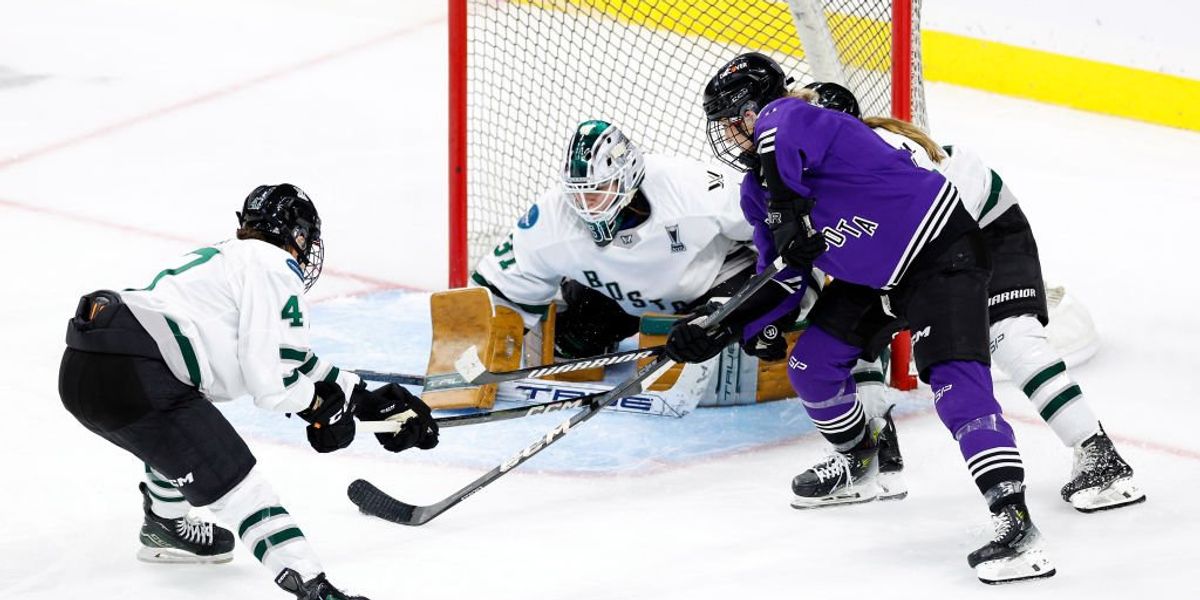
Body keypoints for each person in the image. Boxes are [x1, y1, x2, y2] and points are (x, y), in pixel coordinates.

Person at [668, 52, 1054, 583]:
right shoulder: (755, 191)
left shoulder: (801, 119)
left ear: (758, 110)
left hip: (941, 254)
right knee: (811, 367)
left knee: (954, 385)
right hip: (873, 283)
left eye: (736, 120)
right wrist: (721, 330)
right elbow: (779, 280)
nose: (731, 135)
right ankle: (859, 461)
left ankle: (1015, 521)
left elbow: (779, 133)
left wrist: (787, 213)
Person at [57, 184, 440, 600]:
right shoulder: (276, 265)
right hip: (139, 377)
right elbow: (272, 386)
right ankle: (315, 588)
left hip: (85, 366)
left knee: (171, 434)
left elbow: (292, 360)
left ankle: (164, 523)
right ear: (297, 235)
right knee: (243, 490)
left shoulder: (232, 258)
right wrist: (318, 408)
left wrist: (361, 398)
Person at [804, 80, 1144, 513]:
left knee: (1011, 338)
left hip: (983, 235)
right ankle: (877, 457)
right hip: (911, 256)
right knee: (849, 335)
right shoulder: (824, 176)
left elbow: (929, 233)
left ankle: (1099, 454)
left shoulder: (890, 157)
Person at [472, 119, 803, 362]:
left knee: (720, 344)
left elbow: (786, 238)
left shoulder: (695, 189)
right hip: (625, 298)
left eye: (597, 190)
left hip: (711, 285)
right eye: (578, 193)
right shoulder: (551, 217)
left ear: (627, 176)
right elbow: (500, 289)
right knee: (568, 344)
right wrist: (476, 352)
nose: (586, 205)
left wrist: (769, 309)